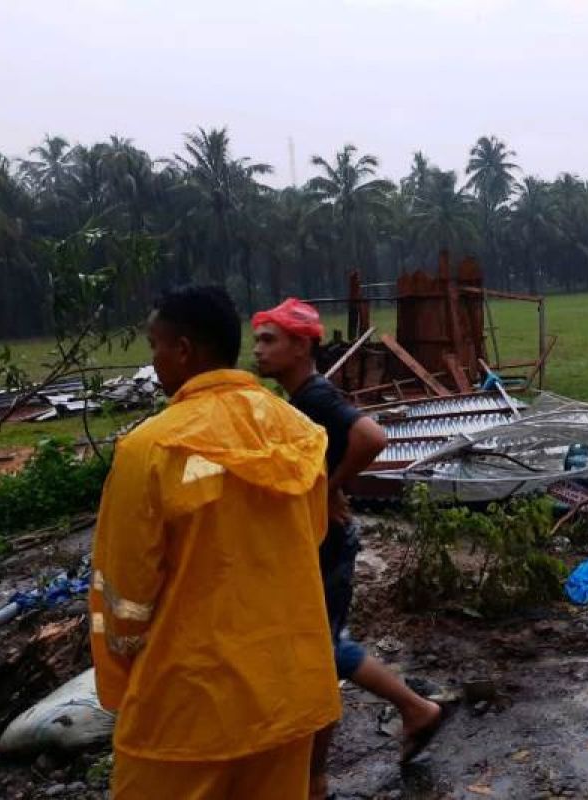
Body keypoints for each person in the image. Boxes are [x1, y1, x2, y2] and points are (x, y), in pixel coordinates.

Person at [90, 286, 340, 799]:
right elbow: (308, 540)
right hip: (290, 695)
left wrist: (122, 683)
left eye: (155, 346)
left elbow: (125, 593)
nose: (154, 361)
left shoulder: (150, 449)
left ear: (184, 350)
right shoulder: (298, 432)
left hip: (187, 711)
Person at [251, 298, 443, 797]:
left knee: (320, 655)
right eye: (257, 340)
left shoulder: (314, 397)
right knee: (322, 649)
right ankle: (407, 714)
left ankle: (323, 774)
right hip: (319, 541)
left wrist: (330, 486)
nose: (258, 350)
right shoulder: (301, 399)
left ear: (301, 345)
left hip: (328, 543)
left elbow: (371, 436)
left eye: (269, 340)